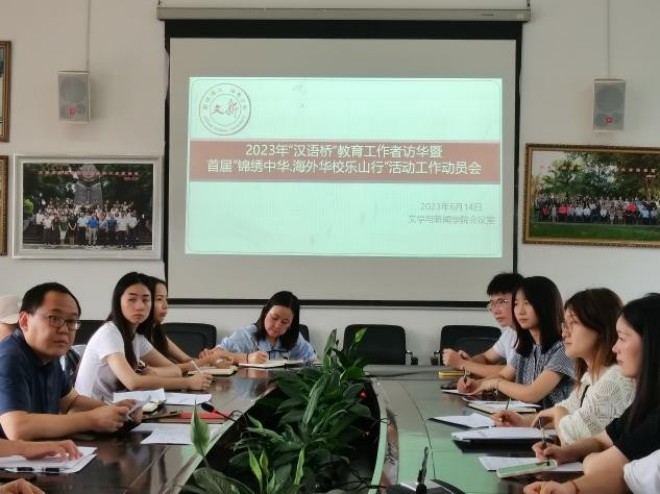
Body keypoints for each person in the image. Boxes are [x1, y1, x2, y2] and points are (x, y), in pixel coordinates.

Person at [524, 294, 660, 494]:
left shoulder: (618, 381)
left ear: (652, 344)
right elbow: (602, 439)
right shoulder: (645, 400)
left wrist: (587, 460)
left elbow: (602, 468)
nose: (615, 347)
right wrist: (566, 453)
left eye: (622, 338)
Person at [493, 288, 634, 444]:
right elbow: (568, 412)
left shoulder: (614, 379)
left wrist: (558, 413)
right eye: (565, 325)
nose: (564, 333)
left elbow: (573, 439)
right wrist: (521, 421)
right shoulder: (590, 376)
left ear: (600, 328)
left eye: (573, 324)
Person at [0, 282, 139, 440]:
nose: (64, 329)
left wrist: (115, 410)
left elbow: (71, 401)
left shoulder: (48, 355)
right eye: (55, 318)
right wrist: (92, 419)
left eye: (72, 321)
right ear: (25, 321)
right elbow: (18, 428)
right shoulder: (9, 358)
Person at [74, 272, 213, 402]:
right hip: (90, 411)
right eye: (132, 299)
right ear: (118, 301)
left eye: (146, 300)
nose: (140, 306)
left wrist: (153, 372)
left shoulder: (136, 338)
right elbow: (133, 382)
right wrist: (188, 383)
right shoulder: (109, 333)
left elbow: (174, 370)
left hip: (117, 406)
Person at [458, 276, 574, 407]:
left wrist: (494, 383)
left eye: (527, 303)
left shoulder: (564, 350)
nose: (520, 311)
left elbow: (532, 394)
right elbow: (504, 375)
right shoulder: (528, 347)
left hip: (555, 420)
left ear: (546, 305)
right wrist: (477, 384)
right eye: (516, 304)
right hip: (525, 418)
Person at [143, 276, 233, 373]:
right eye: (159, 299)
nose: (165, 305)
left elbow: (186, 359)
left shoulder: (156, 331)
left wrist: (213, 362)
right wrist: (208, 360)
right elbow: (171, 369)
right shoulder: (139, 338)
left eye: (166, 299)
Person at [201, 291, 316, 365]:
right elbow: (215, 355)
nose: (277, 325)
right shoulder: (246, 335)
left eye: (284, 322)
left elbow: (313, 361)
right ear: (265, 312)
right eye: (274, 318)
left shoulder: (295, 338)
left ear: (291, 324)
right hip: (249, 392)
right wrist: (247, 358)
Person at [442, 272, 523, 378]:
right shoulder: (510, 333)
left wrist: (462, 364)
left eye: (502, 302)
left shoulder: (532, 335)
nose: (495, 311)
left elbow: (512, 372)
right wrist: (470, 362)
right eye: (492, 303)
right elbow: (486, 357)